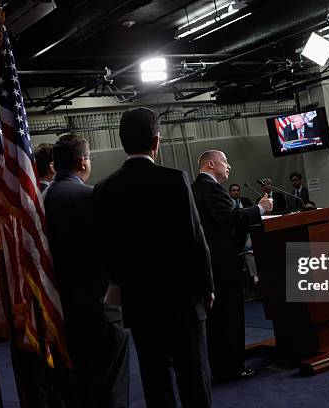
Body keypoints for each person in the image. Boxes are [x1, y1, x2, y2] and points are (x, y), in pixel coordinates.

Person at [93, 108, 214, 408]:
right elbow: (194, 240)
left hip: (139, 302)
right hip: (183, 299)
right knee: (194, 379)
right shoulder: (175, 179)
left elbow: (106, 250)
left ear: (122, 142)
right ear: (157, 142)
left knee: (155, 380)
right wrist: (207, 286)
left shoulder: (104, 189)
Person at [44, 134, 129, 408]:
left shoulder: (38, 199)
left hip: (58, 310)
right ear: (83, 162)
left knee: (76, 389)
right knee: (110, 388)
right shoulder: (91, 197)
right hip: (100, 308)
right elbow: (114, 250)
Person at [192, 150, 272, 381]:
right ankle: (234, 367)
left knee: (215, 321)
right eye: (225, 162)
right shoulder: (213, 188)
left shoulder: (192, 188)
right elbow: (227, 219)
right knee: (230, 317)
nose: (229, 167)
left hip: (207, 263)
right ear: (210, 164)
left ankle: (218, 366)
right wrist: (260, 209)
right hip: (223, 264)